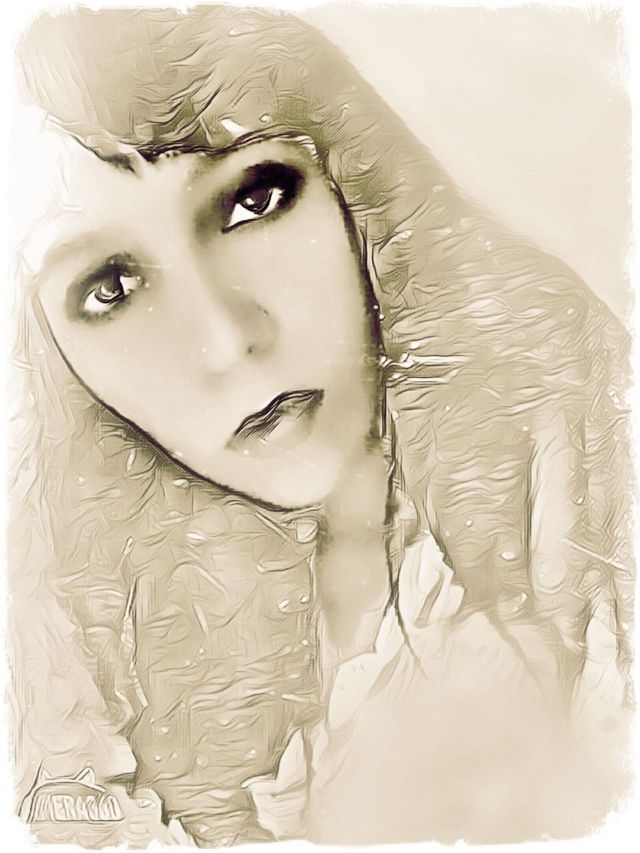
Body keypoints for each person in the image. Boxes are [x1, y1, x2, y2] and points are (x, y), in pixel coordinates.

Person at [10, 4, 632, 847]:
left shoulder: (595, 487)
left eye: (253, 201)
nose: (226, 337)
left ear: (359, 190)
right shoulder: (85, 658)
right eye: (110, 288)